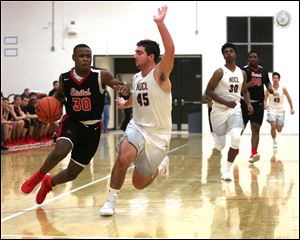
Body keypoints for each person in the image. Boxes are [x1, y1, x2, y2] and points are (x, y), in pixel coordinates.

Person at [20, 43, 129, 205]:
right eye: (81, 56)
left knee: (72, 173)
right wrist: (47, 106)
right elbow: (59, 95)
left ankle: (49, 183)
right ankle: (37, 177)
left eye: (88, 56)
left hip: (93, 128)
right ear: (74, 58)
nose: (85, 59)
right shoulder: (64, 78)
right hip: (73, 122)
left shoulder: (101, 75)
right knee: (60, 150)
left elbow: (116, 83)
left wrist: (124, 88)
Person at [99, 5, 175, 216]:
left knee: (139, 183)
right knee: (124, 158)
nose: (135, 55)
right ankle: (110, 201)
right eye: (135, 52)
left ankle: (161, 166)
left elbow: (170, 51)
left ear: (151, 57)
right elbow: (138, 98)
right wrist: (126, 105)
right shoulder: (136, 78)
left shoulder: (160, 74)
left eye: (139, 53)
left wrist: (160, 24)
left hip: (159, 134)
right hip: (138, 127)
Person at [205, 43, 253, 181]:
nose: (229, 53)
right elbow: (208, 91)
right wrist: (225, 103)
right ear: (223, 55)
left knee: (236, 138)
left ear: (235, 54)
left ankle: (226, 171)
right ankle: (217, 140)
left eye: (231, 51)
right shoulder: (219, 72)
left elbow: (244, 90)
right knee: (220, 146)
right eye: (226, 52)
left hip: (235, 109)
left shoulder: (241, 73)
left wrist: (248, 104)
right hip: (219, 110)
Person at [241, 51, 274, 163]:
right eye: (251, 57)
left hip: (258, 104)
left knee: (255, 128)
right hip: (244, 103)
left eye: (255, 57)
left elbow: (267, 83)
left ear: (258, 59)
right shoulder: (243, 70)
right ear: (248, 59)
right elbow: (240, 86)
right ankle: (234, 147)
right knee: (239, 129)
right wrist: (248, 85)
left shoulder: (263, 71)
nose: (253, 58)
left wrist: (270, 88)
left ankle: (254, 153)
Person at [264, 72, 295, 149]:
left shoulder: (283, 89)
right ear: (272, 79)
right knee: (273, 125)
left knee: (279, 129)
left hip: (280, 110)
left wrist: (291, 108)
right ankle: (274, 141)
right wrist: (265, 105)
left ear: (279, 79)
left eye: (277, 78)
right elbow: (265, 99)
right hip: (271, 109)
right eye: (274, 78)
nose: (275, 79)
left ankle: (274, 123)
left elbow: (288, 98)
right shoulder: (269, 88)